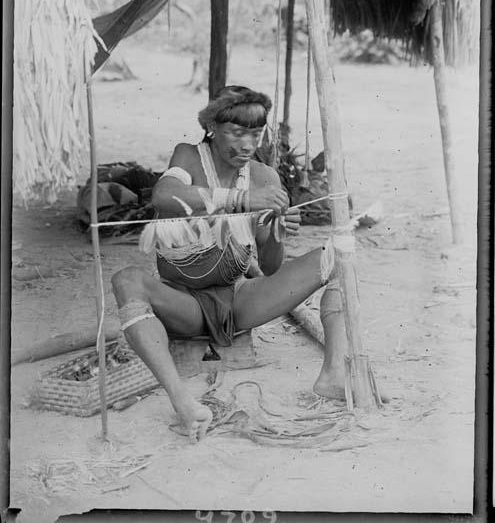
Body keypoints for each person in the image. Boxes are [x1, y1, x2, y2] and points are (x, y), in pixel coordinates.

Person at [111, 85, 342, 443]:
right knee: (127, 280)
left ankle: (333, 374)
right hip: (183, 303)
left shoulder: (265, 178)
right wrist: (241, 200)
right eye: (236, 133)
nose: (247, 144)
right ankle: (183, 402)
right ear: (212, 127)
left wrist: (275, 231)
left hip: (239, 299)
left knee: (340, 257)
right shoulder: (188, 157)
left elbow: (270, 267)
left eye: (255, 133)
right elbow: (165, 195)